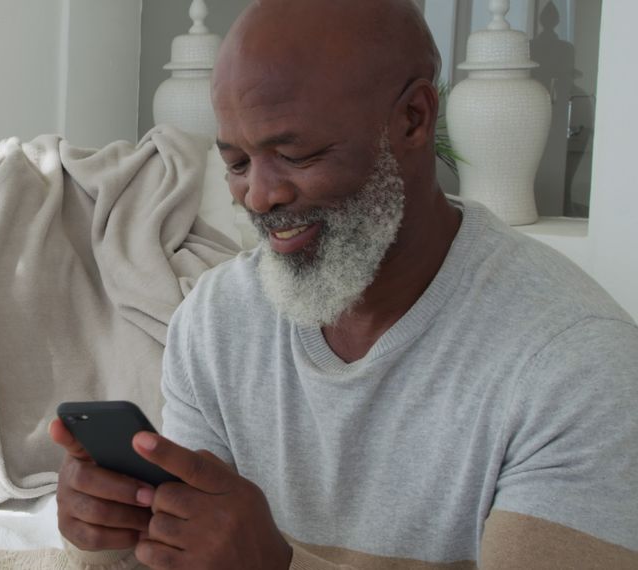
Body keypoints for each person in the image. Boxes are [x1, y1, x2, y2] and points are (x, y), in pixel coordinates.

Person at [50, 0, 638, 568]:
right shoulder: (215, 320)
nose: (259, 196)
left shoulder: (578, 365)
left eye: (296, 153)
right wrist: (116, 538)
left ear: (413, 118)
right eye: (236, 164)